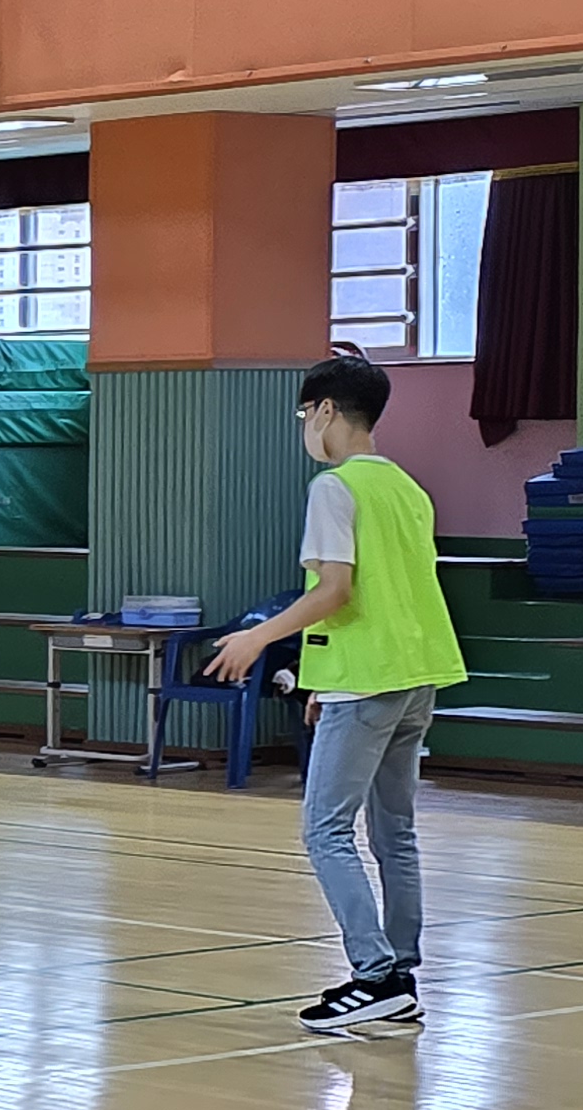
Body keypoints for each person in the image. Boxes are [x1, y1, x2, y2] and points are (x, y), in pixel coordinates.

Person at [200, 351, 470, 1037]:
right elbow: (388, 594)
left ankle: (373, 975)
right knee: (394, 832)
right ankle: (400, 975)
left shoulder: (335, 487)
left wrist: (257, 639)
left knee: (325, 830)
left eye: (302, 416)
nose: (303, 430)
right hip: (416, 674)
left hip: (369, 681)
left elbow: (335, 591)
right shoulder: (407, 488)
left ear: (323, 411)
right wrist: (320, 677)